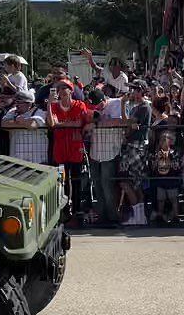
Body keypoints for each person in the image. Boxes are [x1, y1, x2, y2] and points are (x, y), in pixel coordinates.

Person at [47, 78, 90, 224]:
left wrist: (62, 124)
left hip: (75, 147)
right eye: (60, 89)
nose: (62, 91)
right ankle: (65, 210)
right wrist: (49, 104)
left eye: (65, 88)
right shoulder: (54, 106)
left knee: (76, 179)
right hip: (60, 149)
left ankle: (77, 209)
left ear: (71, 90)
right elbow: (52, 124)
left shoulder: (79, 105)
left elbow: (80, 122)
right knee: (63, 181)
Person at [87, 88, 126, 225]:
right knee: (97, 186)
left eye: (99, 105)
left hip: (110, 152)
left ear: (104, 99)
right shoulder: (90, 107)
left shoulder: (116, 103)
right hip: (95, 151)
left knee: (107, 185)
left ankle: (113, 217)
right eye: (94, 106)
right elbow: (86, 124)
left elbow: (118, 122)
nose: (97, 108)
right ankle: (102, 216)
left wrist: (97, 123)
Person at [118, 81, 152, 226]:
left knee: (129, 182)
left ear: (141, 91)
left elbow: (127, 124)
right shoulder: (136, 107)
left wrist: (122, 105)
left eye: (135, 89)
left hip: (137, 147)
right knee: (132, 182)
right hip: (132, 145)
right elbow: (128, 124)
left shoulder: (144, 107)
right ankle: (138, 217)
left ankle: (139, 217)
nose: (132, 92)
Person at [149, 130, 182, 223]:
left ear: (170, 141)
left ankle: (176, 216)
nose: (162, 142)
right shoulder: (157, 153)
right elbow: (153, 167)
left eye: (165, 139)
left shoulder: (174, 153)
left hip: (172, 180)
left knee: (173, 199)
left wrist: (169, 159)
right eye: (161, 140)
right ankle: (160, 215)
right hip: (160, 180)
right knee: (160, 199)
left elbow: (177, 166)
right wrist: (157, 159)